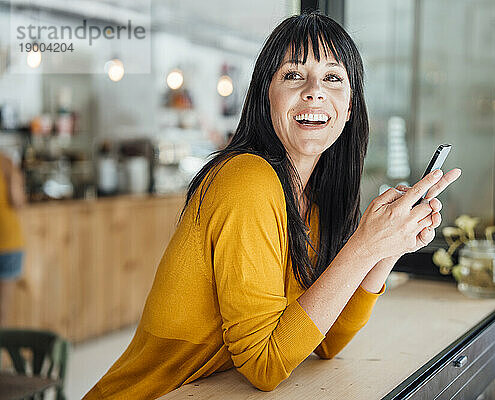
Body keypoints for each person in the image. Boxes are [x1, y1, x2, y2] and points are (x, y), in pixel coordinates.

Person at [84, 12, 461, 399]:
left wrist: (387, 248)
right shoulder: (246, 179)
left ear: (349, 110)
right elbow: (264, 365)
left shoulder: (312, 202)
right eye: (294, 75)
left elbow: (326, 341)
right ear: (267, 96)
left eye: (333, 77)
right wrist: (364, 244)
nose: (314, 90)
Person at [0, 152, 26, 327]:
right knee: (2, 312)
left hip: (8, 245)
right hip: (9, 242)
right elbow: (18, 201)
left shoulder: (7, 163)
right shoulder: (6, 162)